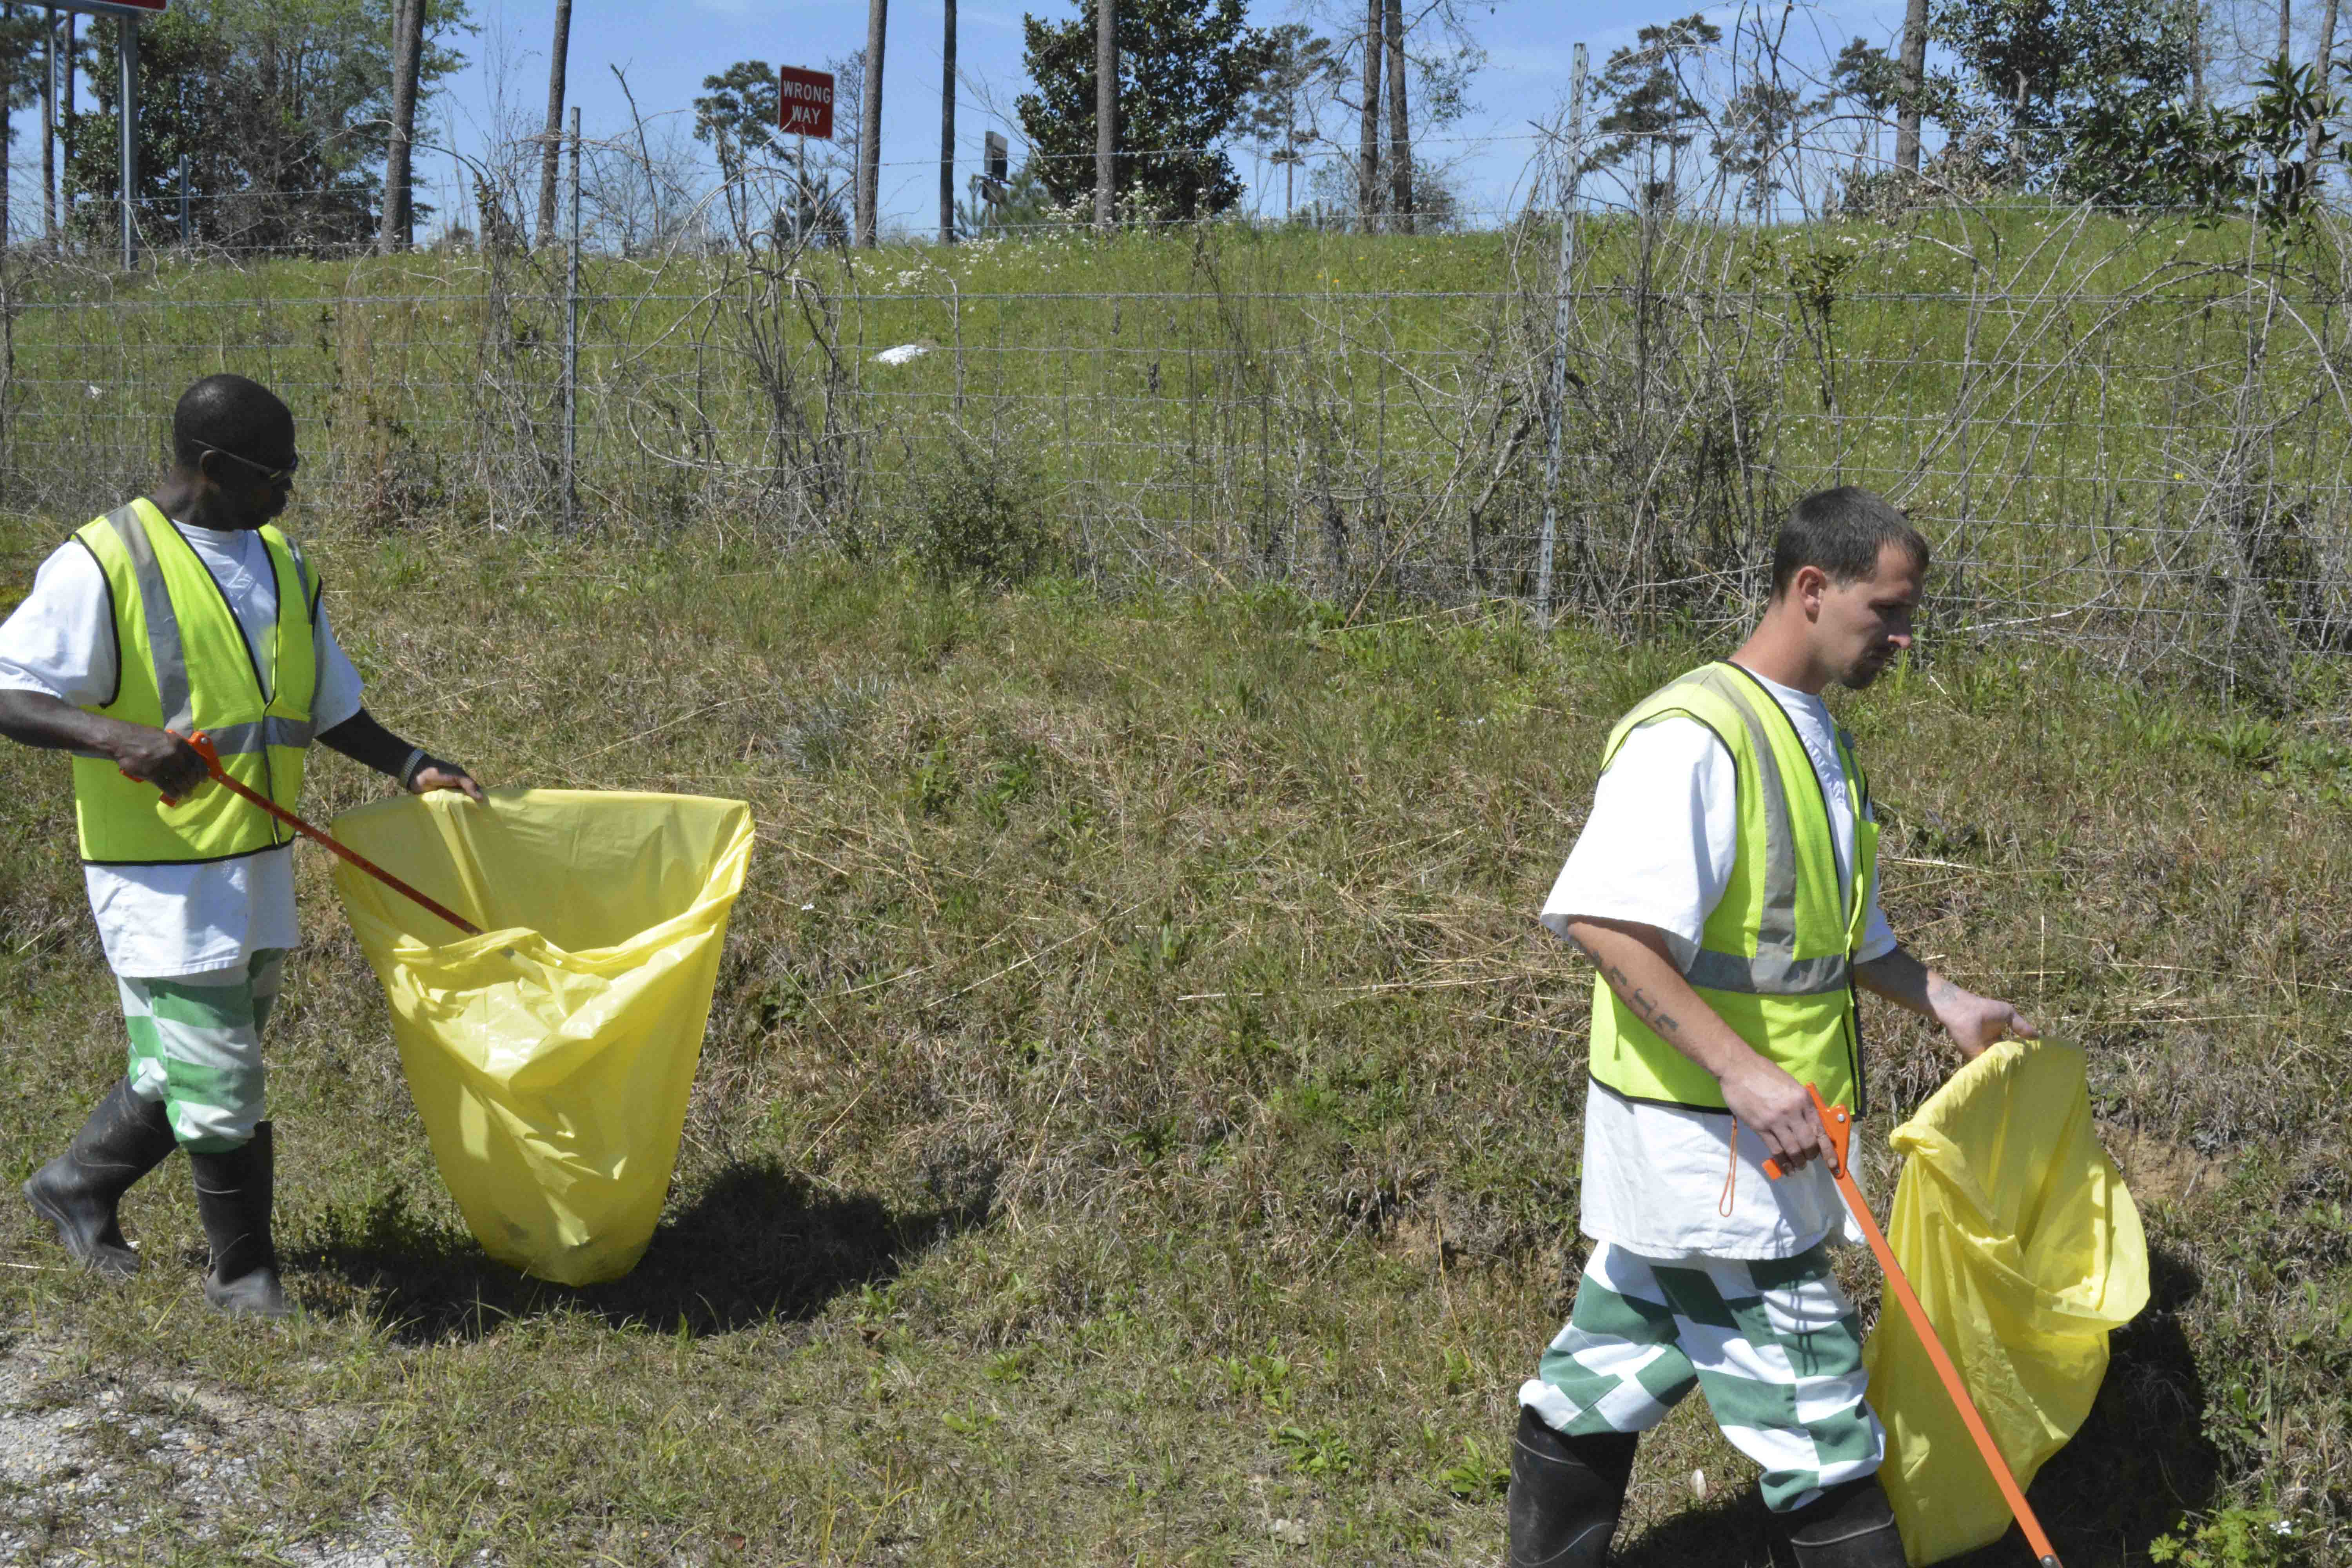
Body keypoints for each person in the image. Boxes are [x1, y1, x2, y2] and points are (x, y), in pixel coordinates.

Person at [1509, 487, 2036, 1568]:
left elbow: (1836, 940)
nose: (1904, 635)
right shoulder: (1694, 736)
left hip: (1766, 1143)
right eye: (1887, 609)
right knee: (1821, 1423)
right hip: (1713, 1148)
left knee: (1602, 1372)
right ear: (1811, 589)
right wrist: (1744, 1073)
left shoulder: (1818, 736)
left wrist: (1947, 1000)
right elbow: (1604, 921)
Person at [0, 373, 484, 1320]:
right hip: (159, 878)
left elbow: (327, 702)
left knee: (183, 1062)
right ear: (214, 466)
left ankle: (75, 1185)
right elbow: (9, 687)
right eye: (276, 474)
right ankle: (243, 1279)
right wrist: (120, 737)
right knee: (223, 1074)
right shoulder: (105, 559)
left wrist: (411, 763)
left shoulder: (283, 562)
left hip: (257, 863)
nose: (288, 491)